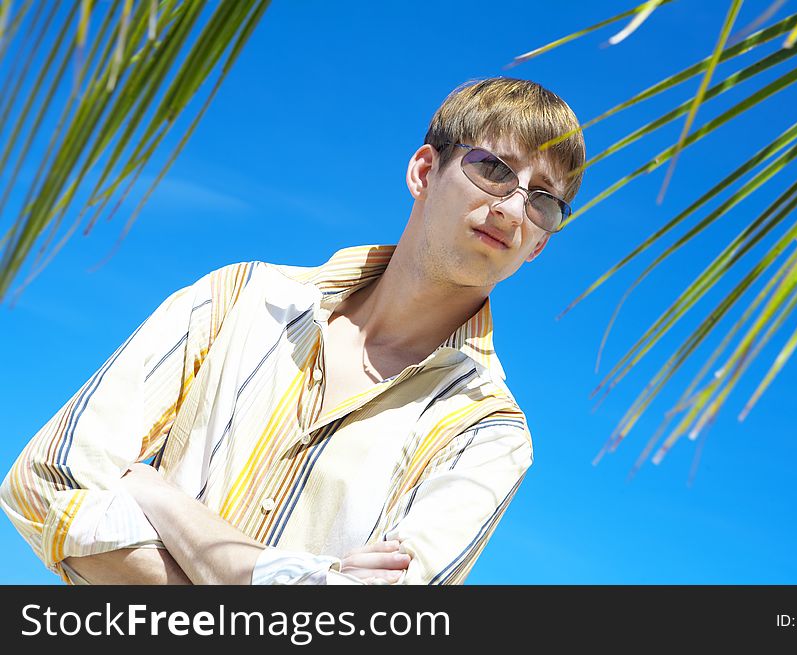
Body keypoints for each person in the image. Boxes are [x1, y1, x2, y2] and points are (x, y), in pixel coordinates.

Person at [0, 76, 585, 585]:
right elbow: (44, 482)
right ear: (425, 170)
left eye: (544, 202)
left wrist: (159, 498)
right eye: (493, 170)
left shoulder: (490, 433)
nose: (512, 208)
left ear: (539, 244)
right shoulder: (241, 298)